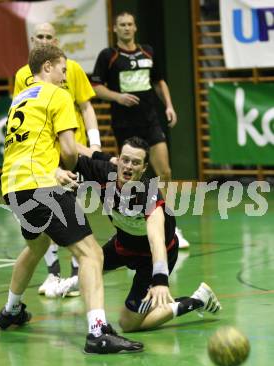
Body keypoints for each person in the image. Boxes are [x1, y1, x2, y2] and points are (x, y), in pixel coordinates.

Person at [0, 45, 143, 354]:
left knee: (36, 246)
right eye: (63, 69)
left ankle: (11, 310)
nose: (66, 76)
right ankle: (97, 331)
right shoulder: (57, 96)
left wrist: (103, 158)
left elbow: (52, 146)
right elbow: (71, 151)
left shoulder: (20, 98)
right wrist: (88, 168)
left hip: (13, 185)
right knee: (91, 254)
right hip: (42, 185)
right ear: (47, 67)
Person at [59, 137, 221, 331]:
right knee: (91, 265)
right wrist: (57, 171)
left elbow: (156, 241)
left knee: (128, 324)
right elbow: (68, 151)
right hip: (122, 245)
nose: (128, 167)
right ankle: (78, 283)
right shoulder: (104, 173)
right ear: (118, 160)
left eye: (135, 163)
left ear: (144, 168)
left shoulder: (148, 194)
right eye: (125, 160)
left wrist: (160, 279)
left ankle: (197, 299)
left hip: (151, 259)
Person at [14, 22, 101, 298]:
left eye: (47, 36)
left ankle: (75, 276)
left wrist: (95, 144)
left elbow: (86, 106)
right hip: (45, 158)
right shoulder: (23, 77)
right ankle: (56, 275)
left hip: (54, 157)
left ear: (55, 41)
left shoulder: (70, 69)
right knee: (80, 240)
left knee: (68, 217)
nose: (42, 40)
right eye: (38, 36)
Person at [91, 11, 190, 250]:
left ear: (135, 28)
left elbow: (159, 81)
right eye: (121, 25)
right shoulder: (109, 56)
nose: (126, 28)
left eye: (130, 24)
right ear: (115, 29)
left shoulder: (147, 52)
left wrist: (168, 106)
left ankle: (168, 224)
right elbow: (95, 87)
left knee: (164, 172)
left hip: (150, 121)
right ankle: (136, 222)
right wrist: (118, 97)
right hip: (125, 126)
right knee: (129, 177)